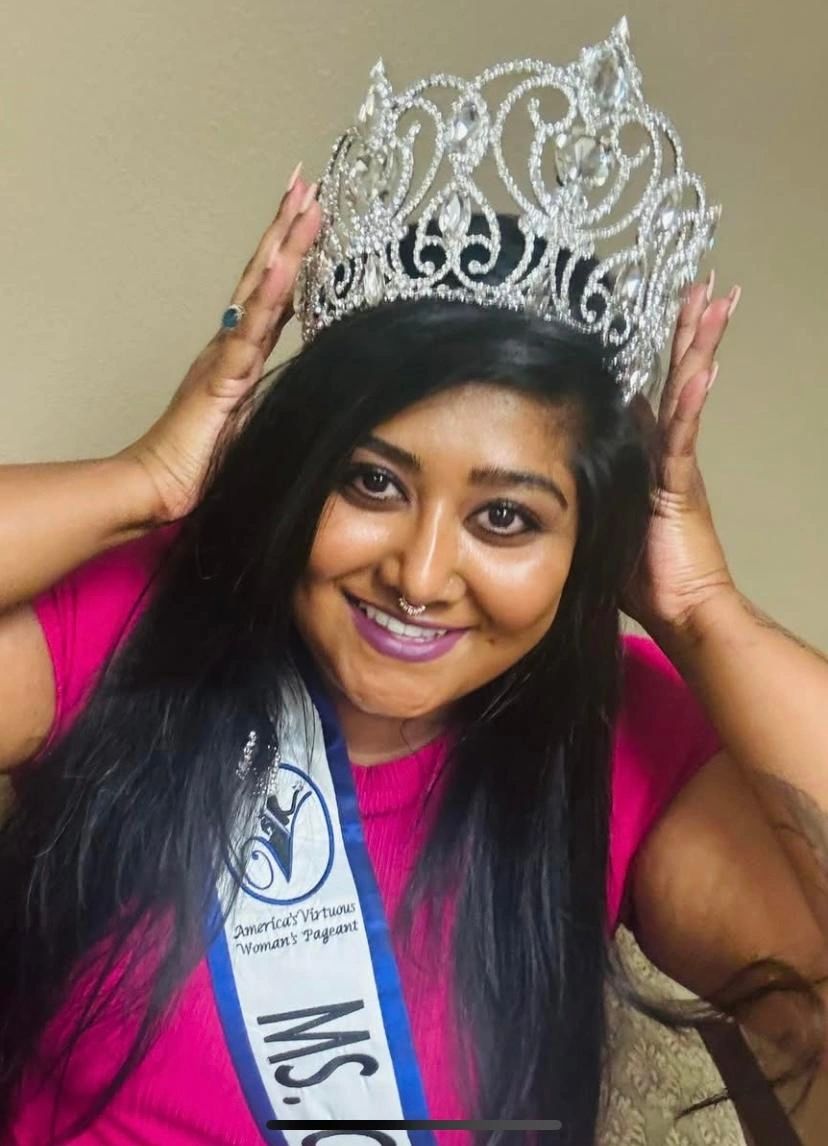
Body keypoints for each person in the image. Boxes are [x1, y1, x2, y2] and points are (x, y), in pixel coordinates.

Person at [2, 25, 828, 1146]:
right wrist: (141, 480)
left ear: (592, 543)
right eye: (373, 482)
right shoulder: (146, 622)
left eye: (506, 517)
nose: (421, 574)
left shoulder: (615, 730)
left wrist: (703, 611)